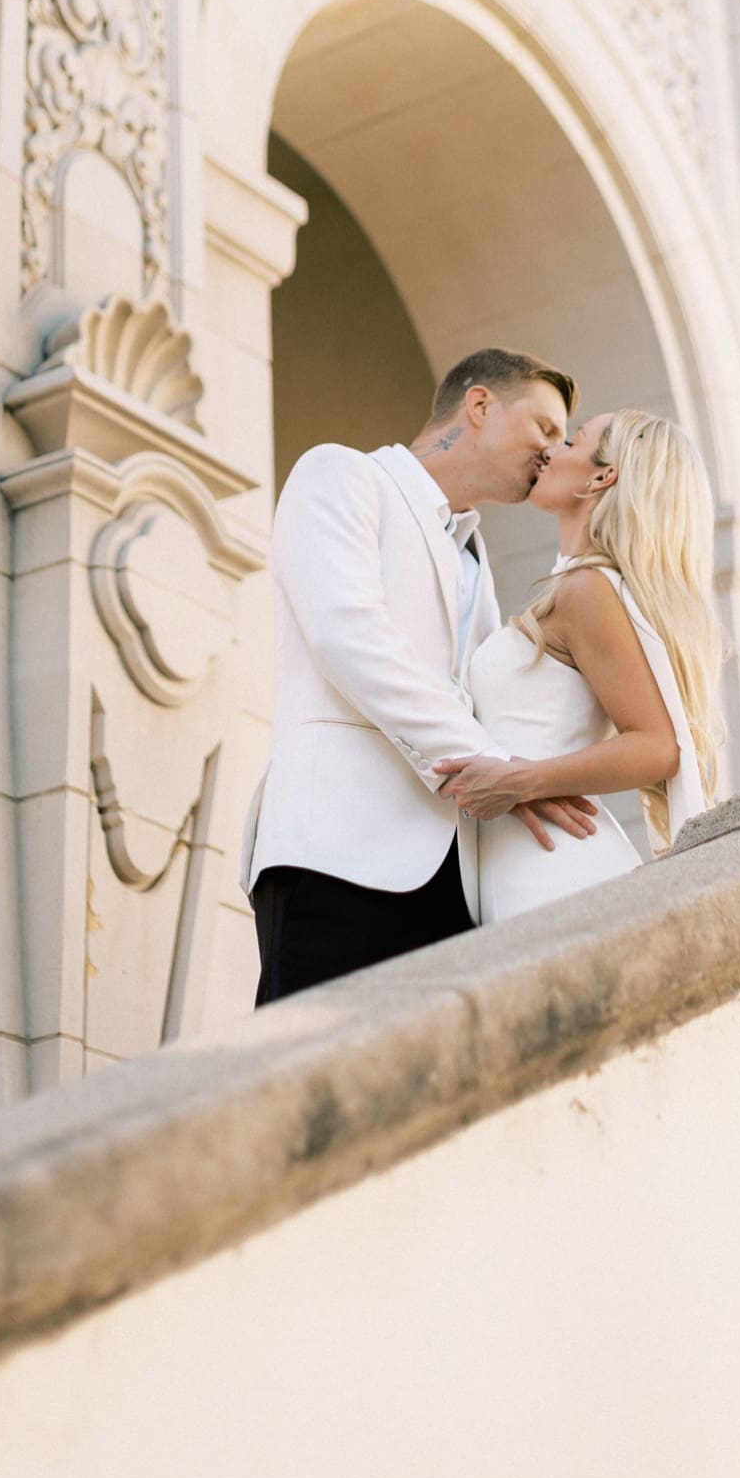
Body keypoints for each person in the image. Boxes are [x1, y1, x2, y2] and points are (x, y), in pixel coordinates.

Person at [241, 348, 594, 1003]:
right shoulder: (339, 474)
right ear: (480, 405)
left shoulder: (476, 558)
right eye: (545, 427)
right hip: (336, 854)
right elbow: (350, 636)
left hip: (454, 883)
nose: (556, 449)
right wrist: (495, 764)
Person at [436, 409, 724, 923]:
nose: (551, 449)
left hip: (557, 871)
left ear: (600, 475)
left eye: (573, 439)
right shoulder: (575, 587)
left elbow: (658, 746)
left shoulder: (587, 589)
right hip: (522, 866)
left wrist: (522, 781)